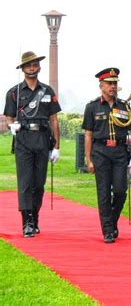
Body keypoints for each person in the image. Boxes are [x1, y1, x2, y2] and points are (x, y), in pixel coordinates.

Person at [3, 51, 61, 238]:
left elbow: (54, 120)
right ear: (23, 69)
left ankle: (35, 216)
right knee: (25, 182)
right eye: (28, 65)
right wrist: (13, 126)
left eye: (35, 64)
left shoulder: (47, 92)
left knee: (39, 183)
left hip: (43, 139)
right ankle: (27, 222)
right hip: (24, 139)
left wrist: (57, 147)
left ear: (39, 67)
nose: (32, 68)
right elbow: (9, 117)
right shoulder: (14, 92)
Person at [82, 68, 131, 243]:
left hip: (120, 152)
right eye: (109, 83)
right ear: (101, 85)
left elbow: (129, 132)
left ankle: (112, 221)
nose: (113, 86)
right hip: (101, 152)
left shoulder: (124, 106)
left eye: (115, 83)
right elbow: (88, 134)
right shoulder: (92, 107)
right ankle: (107, 230)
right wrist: (88, 158)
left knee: (121, 191)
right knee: (104, 192)